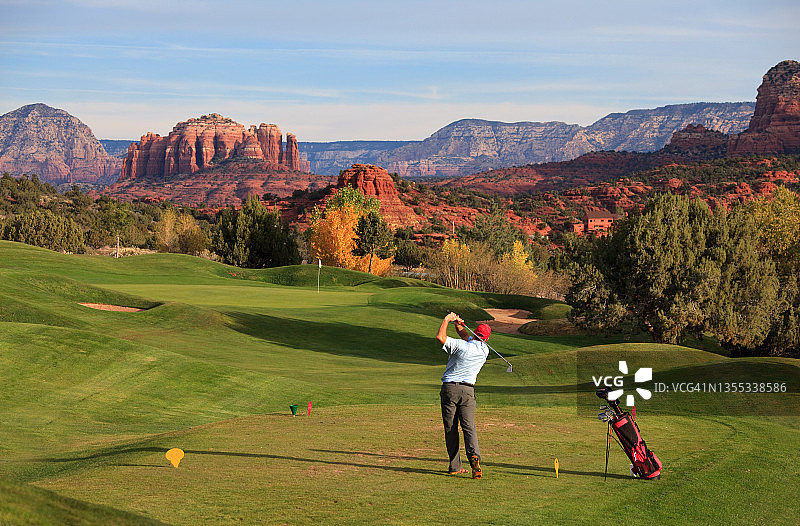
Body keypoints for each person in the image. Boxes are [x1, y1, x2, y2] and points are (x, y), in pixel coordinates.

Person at [435, 312, 492, 479]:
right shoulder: (484, 350)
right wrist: (458, 324)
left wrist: (447, 320)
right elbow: (466, 335)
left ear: (475, 333)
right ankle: (475, 458)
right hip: (468, 392)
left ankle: (455, 466)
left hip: (450, 390)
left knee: (451, 428)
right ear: (486, 339)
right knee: (469, 428)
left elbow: (440, 337)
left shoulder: (460, 346)